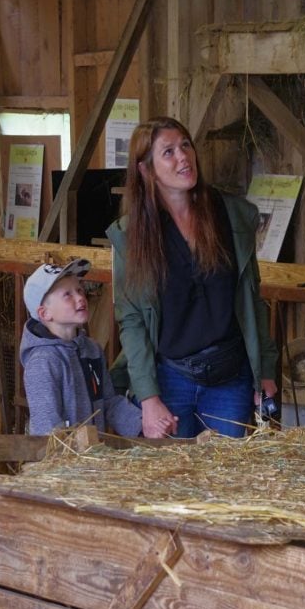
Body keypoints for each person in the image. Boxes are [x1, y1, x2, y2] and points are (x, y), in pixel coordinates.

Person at [107, 116, 278, 439]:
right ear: (146, 169)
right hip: (170, 378)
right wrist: (149, 398)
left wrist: (264, 370)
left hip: (231, 376)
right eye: (168, 152)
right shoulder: (131, 237)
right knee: (175, 483)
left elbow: (252, 299)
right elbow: (132, 321)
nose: (183, 157)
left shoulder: (231, 216)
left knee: (227, 481)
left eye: (185, 145)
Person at [20, 259, 142, 438]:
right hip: (64, 462)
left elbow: (108, 402)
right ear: (45, 313)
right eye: (67, 294)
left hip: (92, 457)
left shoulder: (91, 349)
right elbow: (47, 427)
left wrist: (142, 425)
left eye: (79, 290)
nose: (80, 298)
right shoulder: (42, 361)